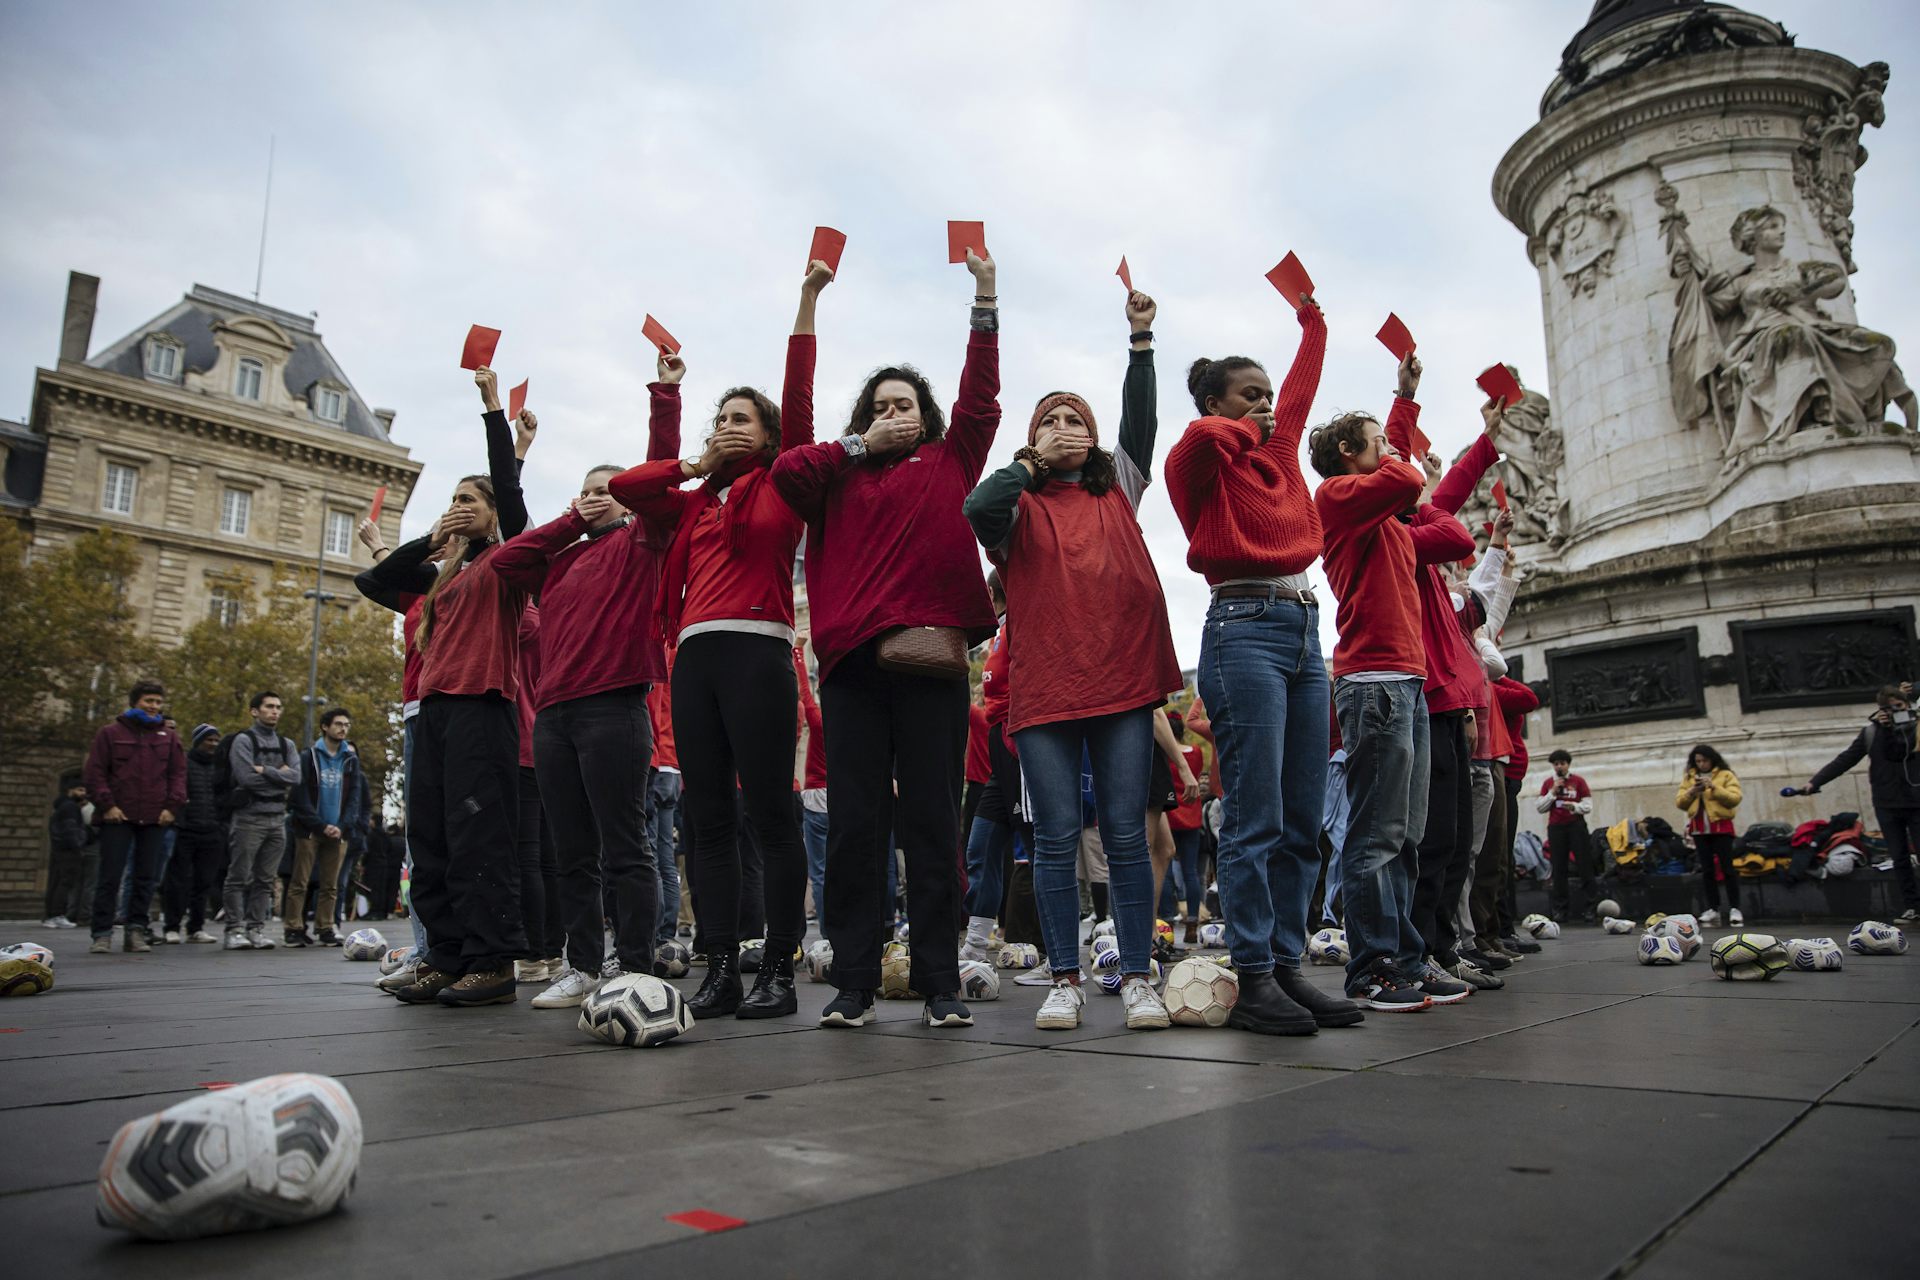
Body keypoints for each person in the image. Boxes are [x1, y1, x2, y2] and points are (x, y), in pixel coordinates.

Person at [771, 247, 1001, 1031]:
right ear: (866, 418)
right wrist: (807, 305)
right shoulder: (835, 472)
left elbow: (981, 396)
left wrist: (985, 293)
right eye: (882, 404)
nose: (896, 411)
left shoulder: (950, 460)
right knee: (857, 826)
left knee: (935, 824)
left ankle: (940, 982)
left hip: (933, 665)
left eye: (908, 403)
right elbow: (792, 440)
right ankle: (855, 982)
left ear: (929, 417)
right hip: (851, 671)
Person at [606, 260, 831, 1020]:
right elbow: (630, 487)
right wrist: (669, 400)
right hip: (695, 657)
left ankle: (778, 968)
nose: (729, 426)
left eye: (743, 418)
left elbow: (799, 400)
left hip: (759, 653)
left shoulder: (785, 482)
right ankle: (720, 968)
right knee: (706, 818)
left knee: (769, 813)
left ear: (768, 435)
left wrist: (804, 301)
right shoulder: (695, 501)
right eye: (721, 417)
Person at [965, 286, 1182, 1032]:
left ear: (1094, 438)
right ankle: (1064, 976)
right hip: (1047, 687)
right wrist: (1027, 463)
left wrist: (1140, 342)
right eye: (1051, 420)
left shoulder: (1117, 487)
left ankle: (1137, 972)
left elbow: (1142, 422)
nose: (1066, 429)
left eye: (1076, 420)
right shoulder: (1018, 505)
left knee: (1124, 833)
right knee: (1054, 836)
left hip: (1120, 681)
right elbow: (976, 509)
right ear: (1034, 440)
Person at [1164, 288, 1364, 1034]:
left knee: (1303, 815)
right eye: (1251, 396)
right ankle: (1251, 976)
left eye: (1269, 395)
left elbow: (1304, 390)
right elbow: (1195, 442)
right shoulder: (1206, 462)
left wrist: (1313, 322)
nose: (1270, 407)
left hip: (1304, 633)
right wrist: (1235, 423)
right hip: (1241, 626)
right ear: (1217, 402)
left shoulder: (1279, 455)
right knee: (1255, 815)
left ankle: (1286, 965)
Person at [490, 367, 680, 1012]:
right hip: (555, 717)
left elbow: (660, 473)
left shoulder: (642, 541)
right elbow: (507, 560)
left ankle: (634, 965)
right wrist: (571, 517)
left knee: (627, 844)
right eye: (584, 491)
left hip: (615, 706)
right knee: (571, 850)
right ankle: (580, 965)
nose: (594, 498)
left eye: (605, 491)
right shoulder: (559, 558)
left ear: (628, 502)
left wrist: (664, 395)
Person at [364, 365, 532, 1006]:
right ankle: (446, 953)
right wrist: (428, 541)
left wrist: (495, 414)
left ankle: (491, 962)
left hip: (481, 708)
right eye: (453, 498)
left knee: (476, 836)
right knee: (429, 836)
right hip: (430, 712)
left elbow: (515, 506)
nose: (457, 507)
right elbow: (376, 583)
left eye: (471, 500)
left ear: (492, 517)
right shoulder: (441, 575)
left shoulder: (507, 561)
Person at [1309, 349, 1448, 1014]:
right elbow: (1407, 479)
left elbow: (1437, 521)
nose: (1388, 450)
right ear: (1345, 452)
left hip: (1407, 683)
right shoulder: (1338, 498)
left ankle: (1408, 955)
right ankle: (1370, 967)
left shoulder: (1383, 518)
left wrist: (1403, 400)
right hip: (1373, 683)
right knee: (1374, 835)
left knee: (1407, 834)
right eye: (1375, 444)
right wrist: (1399, 435)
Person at [1796, 682, 1919, 922]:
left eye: (1899, 706)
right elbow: (1845, 760)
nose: (1895, 712)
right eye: (1889, 708)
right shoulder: (1872, 733)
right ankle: (1913, 906)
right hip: (1887, 803)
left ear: (1908, 704)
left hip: (1917, 801)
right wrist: (1815, 782)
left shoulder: (1918, 728)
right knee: (1900, 857)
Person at [82, 681, 186, 954]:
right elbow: (95, 774)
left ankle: (136, 931)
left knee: (146, 878)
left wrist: (171, 807)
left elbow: (177, 776)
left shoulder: (169, 738)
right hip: (118, 816)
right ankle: (102, 933)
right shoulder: (110, 734)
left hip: (154, 818)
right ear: (134, 702)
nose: (153, 707)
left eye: (157, 702)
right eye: (148, 701)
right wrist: (107, 805)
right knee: (110, 877)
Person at [221, 691, 299, 950]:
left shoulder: (286, 744)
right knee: (239, 875)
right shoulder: (243, 741)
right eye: (269, 706)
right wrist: (280, 775)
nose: (274, 711)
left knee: (266, 879)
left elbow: (296, 777)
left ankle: (255, 929)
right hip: (249, 817)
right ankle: (233, 930)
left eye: (278, 706)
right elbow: (246, 779)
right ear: (255, 711)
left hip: (277, 818)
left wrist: (265, 770)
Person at [286, 708, 364, 947]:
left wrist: (342, 825)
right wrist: (319, 825)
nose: (343, 728)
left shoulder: (350, 759)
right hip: (310, 829)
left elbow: (354, 797)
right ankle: (294, 928)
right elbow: (299, 796)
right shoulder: (308, 756)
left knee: (331, 884)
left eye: (346, 725)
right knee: (300, 880)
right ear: (325, 727)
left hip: (339, 831)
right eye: (338, 724)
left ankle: (325, 926)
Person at [161, 724, 227, 943]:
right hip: (186, 830)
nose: (213, 744)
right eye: (209, 740)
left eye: (217, 740)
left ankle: (195, 927)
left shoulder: (221, 767)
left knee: (204, 882)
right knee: (178, 881)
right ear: (198, 740)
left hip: (212, 830)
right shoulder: (184, 764)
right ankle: (172, 926)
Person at [1675, 743, 1743, 926]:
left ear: (1712, 759)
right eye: (1697, 761)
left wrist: (1713, 787)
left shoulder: (1725, 775)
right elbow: (1680, 802)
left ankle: (1735, 908)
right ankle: (1714, 908)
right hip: (1699, 829)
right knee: (1707, 871)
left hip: (1721, 828)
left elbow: (1734, 798)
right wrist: (1693, 791)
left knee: (1727, 868)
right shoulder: (1689, 777)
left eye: (1704, 760)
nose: (1701, 764)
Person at [1537, 748, 1595, 922]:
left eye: (1562, 763)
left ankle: (1590, 907)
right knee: (1559, 867)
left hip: (1576, 825)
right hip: (1556, 828)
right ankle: (1561, 909)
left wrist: (1575, 807)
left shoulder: (1578, 781)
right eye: (1556, 764)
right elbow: (1540, 807)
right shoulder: (1549, 784)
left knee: (1585, 865)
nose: (1559, 767)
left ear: (1568, 764)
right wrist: (1552, 793)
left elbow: (1588, 804)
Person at [43, 774, 90, 929]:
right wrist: (78, 846)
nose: (83, 793)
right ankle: (57, 914)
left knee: (56, 882)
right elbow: (71, 830)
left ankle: (51, 915)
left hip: (60, 849)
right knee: (65, 882)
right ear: (70, 791)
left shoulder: (62, 806)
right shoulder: (70, 808)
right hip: (68, 850)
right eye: (80, 790)